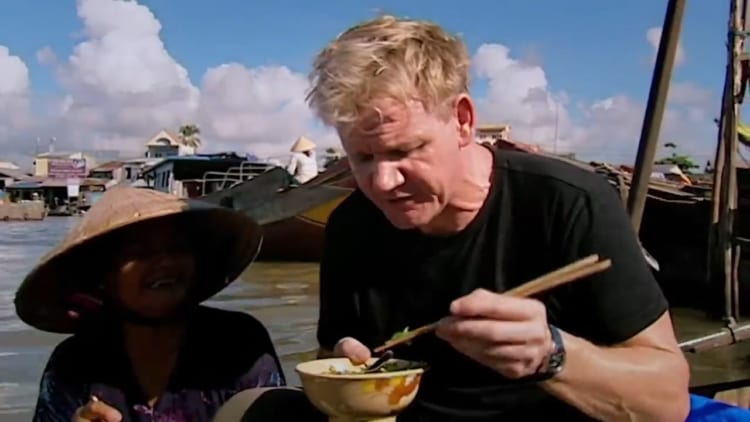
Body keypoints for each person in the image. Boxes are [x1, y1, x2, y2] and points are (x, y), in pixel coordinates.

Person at [303, 15, 691, 421]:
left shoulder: (569, 203)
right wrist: (343, 366)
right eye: (362, 157)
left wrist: (551, 354)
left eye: (404, 151)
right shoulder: (352, 224)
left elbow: (667, 402)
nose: (382, 183)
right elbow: (331, 350)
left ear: (463, 121)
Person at [16, 187, 285, 422]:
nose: (165, 262)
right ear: (103, 277)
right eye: (140, 252)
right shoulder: (73, 364)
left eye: (177, 248)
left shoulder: (240, 343)